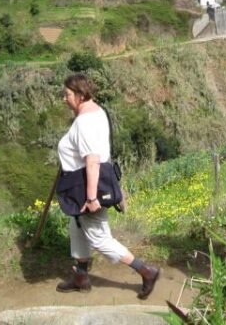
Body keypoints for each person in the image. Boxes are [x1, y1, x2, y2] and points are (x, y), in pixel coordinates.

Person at [56, 73, 160, 298]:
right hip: (84, 184)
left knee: (99, 237)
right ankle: (81, 277)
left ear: (80, 95)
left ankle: (146, 270)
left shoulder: (84, 121)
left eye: (67, 95)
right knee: (77, 227)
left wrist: (91, 198)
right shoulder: (97, 111)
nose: (64, 99)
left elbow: (93, 160)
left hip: (88, 187)